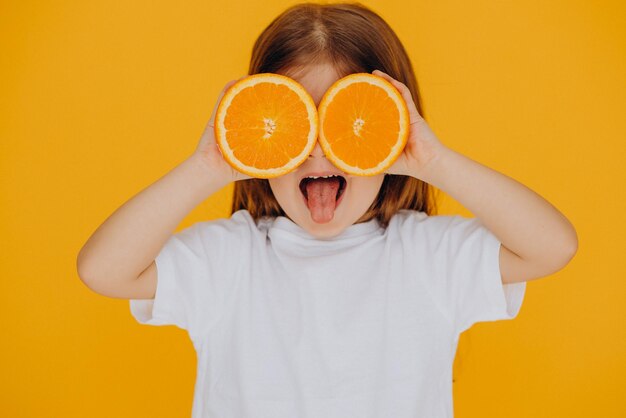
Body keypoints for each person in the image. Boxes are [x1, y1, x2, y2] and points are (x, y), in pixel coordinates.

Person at [76, 2, 578, 417]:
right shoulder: (231, 260)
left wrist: (433, 161)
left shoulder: (429, 256)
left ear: (392, 129)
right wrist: (210, 165)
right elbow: (103, 270)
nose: (318, 151)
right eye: (295, 124)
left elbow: (553, 247)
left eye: (348, 122)